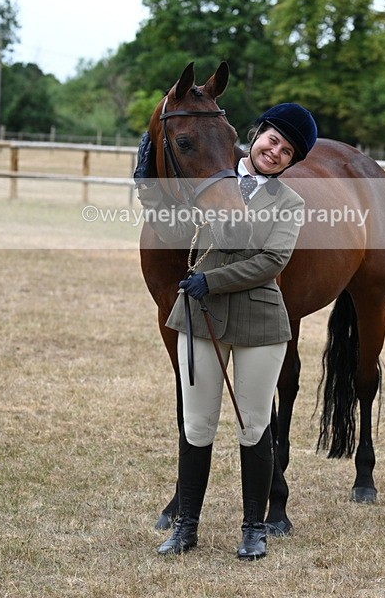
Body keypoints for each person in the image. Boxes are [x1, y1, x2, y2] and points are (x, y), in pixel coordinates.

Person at [134, 102, 317, 560]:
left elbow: (272, 262)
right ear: (256, 135)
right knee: (196, 424)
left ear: (292, 162)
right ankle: (186, 527)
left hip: (260, 320)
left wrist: (210, 280)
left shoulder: (290, 203)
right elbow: (163, 207)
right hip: (201, 318)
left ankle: (254, 527)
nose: (275, 152)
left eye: (287, 151)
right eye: (272, 140)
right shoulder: (207, 179)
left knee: (255, 425)